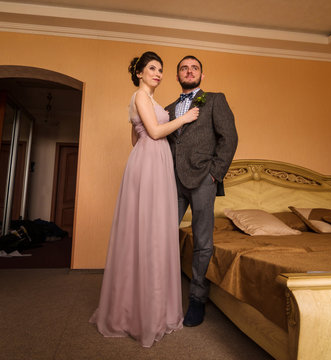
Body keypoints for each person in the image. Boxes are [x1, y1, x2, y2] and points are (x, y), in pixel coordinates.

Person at [90, 51, 199, 347]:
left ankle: (152, 309)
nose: (158, 73)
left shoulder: (148, 101)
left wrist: (150, 153)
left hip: (152, 161)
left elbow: (135, 138)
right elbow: (152, 132)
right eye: (152, 68)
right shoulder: (139, 96)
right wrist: (185, 118)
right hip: (150, 163)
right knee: (146, 232)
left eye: (161, 69)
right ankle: (137, 314)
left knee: (153, 232)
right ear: (139, 72)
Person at [165, 55, 238, 327]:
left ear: (201, 75)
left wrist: (214, 174)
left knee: (203, 241)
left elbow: (229, 137)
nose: (189, 71)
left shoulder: (215, 100)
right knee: (161, 236)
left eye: (194, 68)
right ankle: (159, 295)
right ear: (177, 76)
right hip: (172, 181)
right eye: (184, 68)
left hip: (203, 179)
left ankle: (197, 299)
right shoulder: (168, 108)